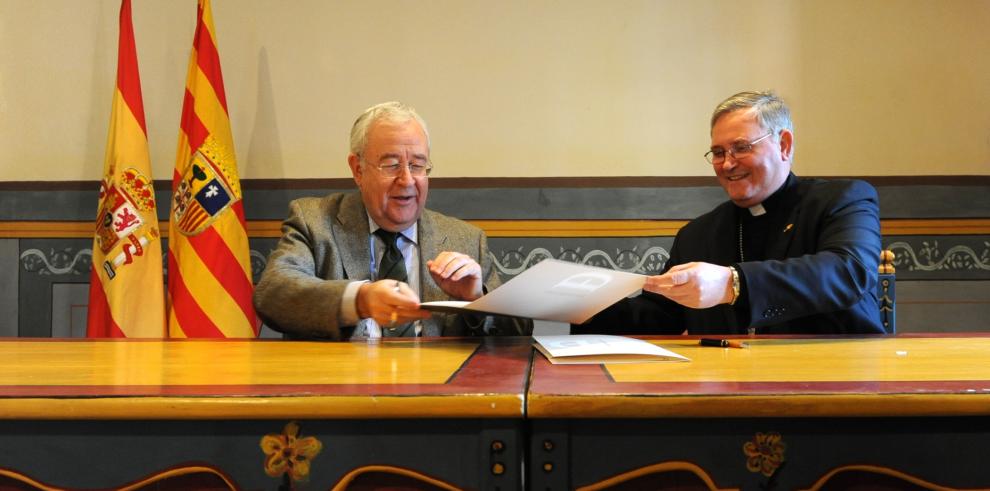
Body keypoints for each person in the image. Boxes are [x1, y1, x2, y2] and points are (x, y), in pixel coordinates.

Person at [575, 90, 885, 335]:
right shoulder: (698, 234)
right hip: (728, 395)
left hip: (833, 390)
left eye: (741, 148)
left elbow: (849, 272)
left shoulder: (841, 200)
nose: (727, 164)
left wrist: (733, 283)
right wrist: (576, 309)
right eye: (719, 153)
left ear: (784, 145)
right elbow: (660, 317)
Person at [254, 101, 531, 339]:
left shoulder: (466, 240)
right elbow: (273, 294)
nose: (407, 180)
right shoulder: (315, 222)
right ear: (358, 169)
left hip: (439, 395)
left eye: (418, 165)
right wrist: (360, 300)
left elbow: (518, 331)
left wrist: (474, 300)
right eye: (391, 165)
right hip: (343, 392)